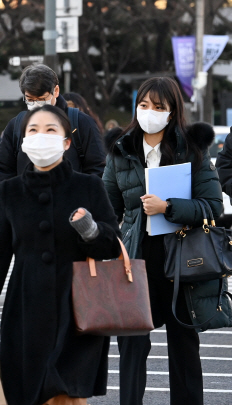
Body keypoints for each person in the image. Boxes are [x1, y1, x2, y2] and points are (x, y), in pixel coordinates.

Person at [0, 104, 122, 405]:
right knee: (30, 393)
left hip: (78, 309)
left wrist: (91, 230)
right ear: (24, 142)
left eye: (51, 130)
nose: (41, 136)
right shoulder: (9, 193)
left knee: (65, 393)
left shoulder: (88, 186)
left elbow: (112, 245)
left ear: (66, 143)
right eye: (33, 130)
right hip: (24, 312)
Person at [102, 77, 222, 405]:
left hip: (182, 265)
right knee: (132, 348)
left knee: (184, 350)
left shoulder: (192, 149)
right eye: (144, 105)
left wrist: (168, 207)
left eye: (158, 107)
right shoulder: (121, 150)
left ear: (171, 113)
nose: (149, 112)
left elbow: (212, 207)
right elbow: (107, 207)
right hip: (136, 264)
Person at [0, 63, 105, 241]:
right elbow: (2, 171)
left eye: (41, 98)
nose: (36, 104)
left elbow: (97, 169)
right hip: (27, 222)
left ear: (56, 91)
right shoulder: (16, 126)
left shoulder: (80, 123)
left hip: (73, 221)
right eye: (30, 99)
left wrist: (86, 210)